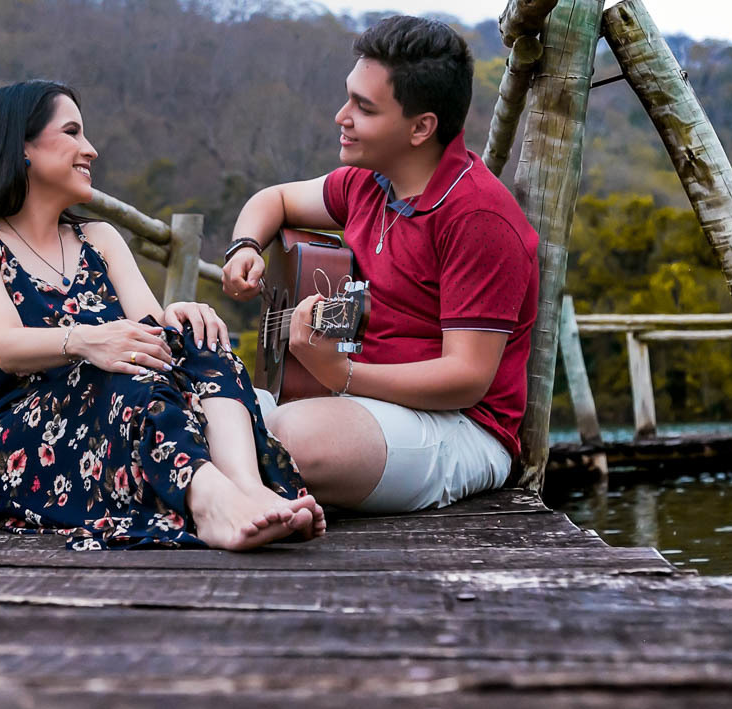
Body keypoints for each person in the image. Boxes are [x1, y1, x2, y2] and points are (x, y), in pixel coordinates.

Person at [0, 80, 325, 551]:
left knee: (196, 343)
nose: (90, 150)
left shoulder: (100, 239)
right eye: (71, 132)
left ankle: (248, 491)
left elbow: (157, 346)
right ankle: (210, 504)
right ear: (20, 148)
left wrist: (178, 317)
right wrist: (87, 341)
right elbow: (6, 346)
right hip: (23, 446)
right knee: (118, 366)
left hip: (120, 426)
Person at [222, 15, 539, 514]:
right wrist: (243, 246)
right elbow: (275, 199)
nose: (340, 116)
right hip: (358, 404)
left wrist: (342, 373)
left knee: (290, 439)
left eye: (363, 108)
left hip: (461, 426)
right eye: (349, 96)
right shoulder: (367, 182)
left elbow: (467, 377)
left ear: (420, 127)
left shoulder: (478, 217)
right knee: (196, 398)